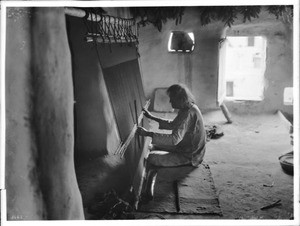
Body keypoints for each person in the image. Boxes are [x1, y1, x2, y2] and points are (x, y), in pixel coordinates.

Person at [137, 84, 206, 202]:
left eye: (172, 99)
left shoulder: (187, 114)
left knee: (152, 158)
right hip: (187, 146)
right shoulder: (188, 108)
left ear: (180, 99)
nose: (169, 101)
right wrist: (152, 117)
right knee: (154, 145)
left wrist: (148, 133)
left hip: (191, 154)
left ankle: (186, 161)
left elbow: (174, 139)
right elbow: (173, 124)